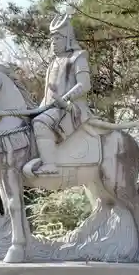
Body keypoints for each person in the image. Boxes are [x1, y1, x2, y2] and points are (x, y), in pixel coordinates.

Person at [31, 11, 92, 175]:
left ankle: (50, 165)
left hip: (72, 109)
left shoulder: (78, 57)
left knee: (40, 123)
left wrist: (65, 98)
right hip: (53, 108)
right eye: (51, 39)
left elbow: (84, 84)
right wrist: (36, 109)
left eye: (57, 38)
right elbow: (48, 95)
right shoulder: (52, 64)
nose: (53, 43)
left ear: (67, 39)